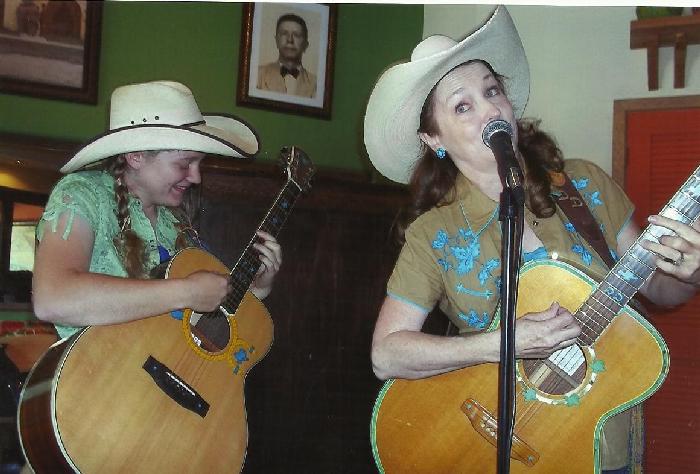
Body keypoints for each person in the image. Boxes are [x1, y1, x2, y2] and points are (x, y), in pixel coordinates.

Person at [364, 6, 700, 474]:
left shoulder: (584, 186)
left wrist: (689, 273)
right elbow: (387, 354)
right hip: (484, 444)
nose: (489, 109)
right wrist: (503, 343)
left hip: (602, 448)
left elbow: (658, 288)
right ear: (433, 137)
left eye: (492, 90)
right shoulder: (433, 234)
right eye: (463, 105)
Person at [32, 80, 283, 341]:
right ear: (137, 156)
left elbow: (201, 321)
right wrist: (185, 291)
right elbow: (53, 298)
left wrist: (255, 289)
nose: (196, 177)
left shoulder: (174, 222)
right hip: (89, 378)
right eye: (185, 163)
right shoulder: (83, 195)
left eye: (198, 164)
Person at [256, 13, 317, 98]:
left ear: (305, 45)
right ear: (276, 40)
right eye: (284, 33)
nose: (290, 40)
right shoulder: (257, 75)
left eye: (297, 35)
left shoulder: (316, 84)